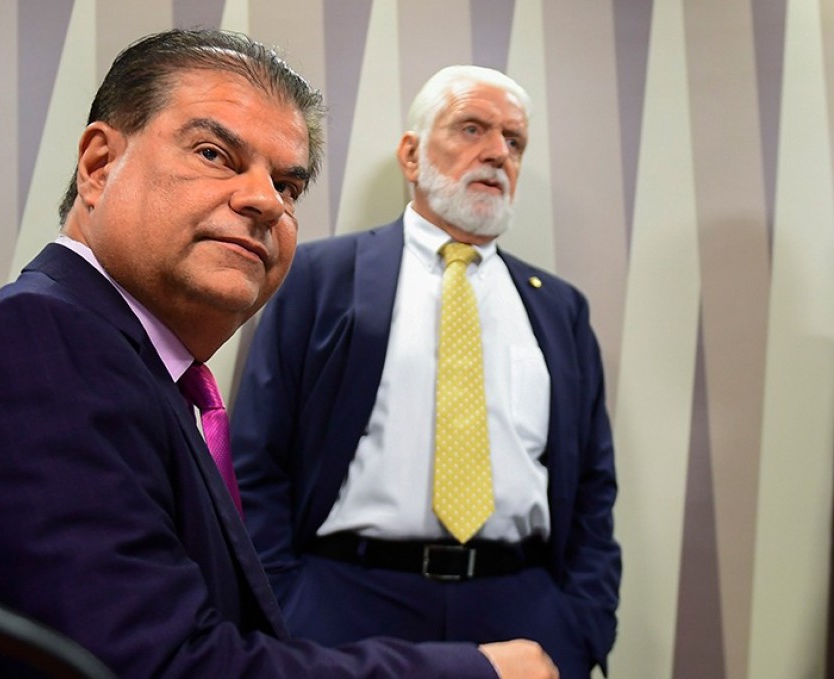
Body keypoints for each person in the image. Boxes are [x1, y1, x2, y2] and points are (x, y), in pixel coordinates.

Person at [0, 31, 559, 679]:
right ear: (98, 164)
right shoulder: (31, 351)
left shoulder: (124, 361)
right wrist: (477, 672)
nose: (266, 201)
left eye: (287, 184)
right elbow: (161, 664)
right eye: (215, 154)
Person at [230, 65, 621, 677]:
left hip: (524, 608)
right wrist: (286, 604)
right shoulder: (318, 279)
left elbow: (593, 484)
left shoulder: (559, 309)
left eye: (514, 141)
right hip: (345, 602)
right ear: (411, 155)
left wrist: (581, 627)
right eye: (472, 128)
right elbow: (256, 459)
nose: (497, 153)